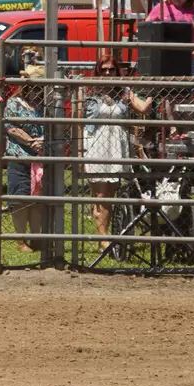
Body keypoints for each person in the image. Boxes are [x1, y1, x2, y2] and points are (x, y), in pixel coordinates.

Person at [81, 56, 153, 252]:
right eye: (103, 70)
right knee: (100, 193)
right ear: (98, 71)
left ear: (117, 72)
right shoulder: (89, 92)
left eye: (111, 70)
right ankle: (103, 239)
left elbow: (144, 109)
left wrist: (152, 91)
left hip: (116, 145)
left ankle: (103, 236)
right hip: (96, 143)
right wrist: (80, 152)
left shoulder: (124, 93)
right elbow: (78, 123)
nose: (107, 73)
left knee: (110, 193)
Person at [3, 64, 45, 253]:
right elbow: (11, 127)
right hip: (19, 155)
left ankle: (36, 237)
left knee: (37, 200)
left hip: (41, 157)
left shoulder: (46, 105)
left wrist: (43, 141)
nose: (36, 90)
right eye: (33, 86)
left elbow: (55, 126)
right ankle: (20, 240)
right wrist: (31, 142)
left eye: (39, 86)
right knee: (19, 199)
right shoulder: (14, 103)